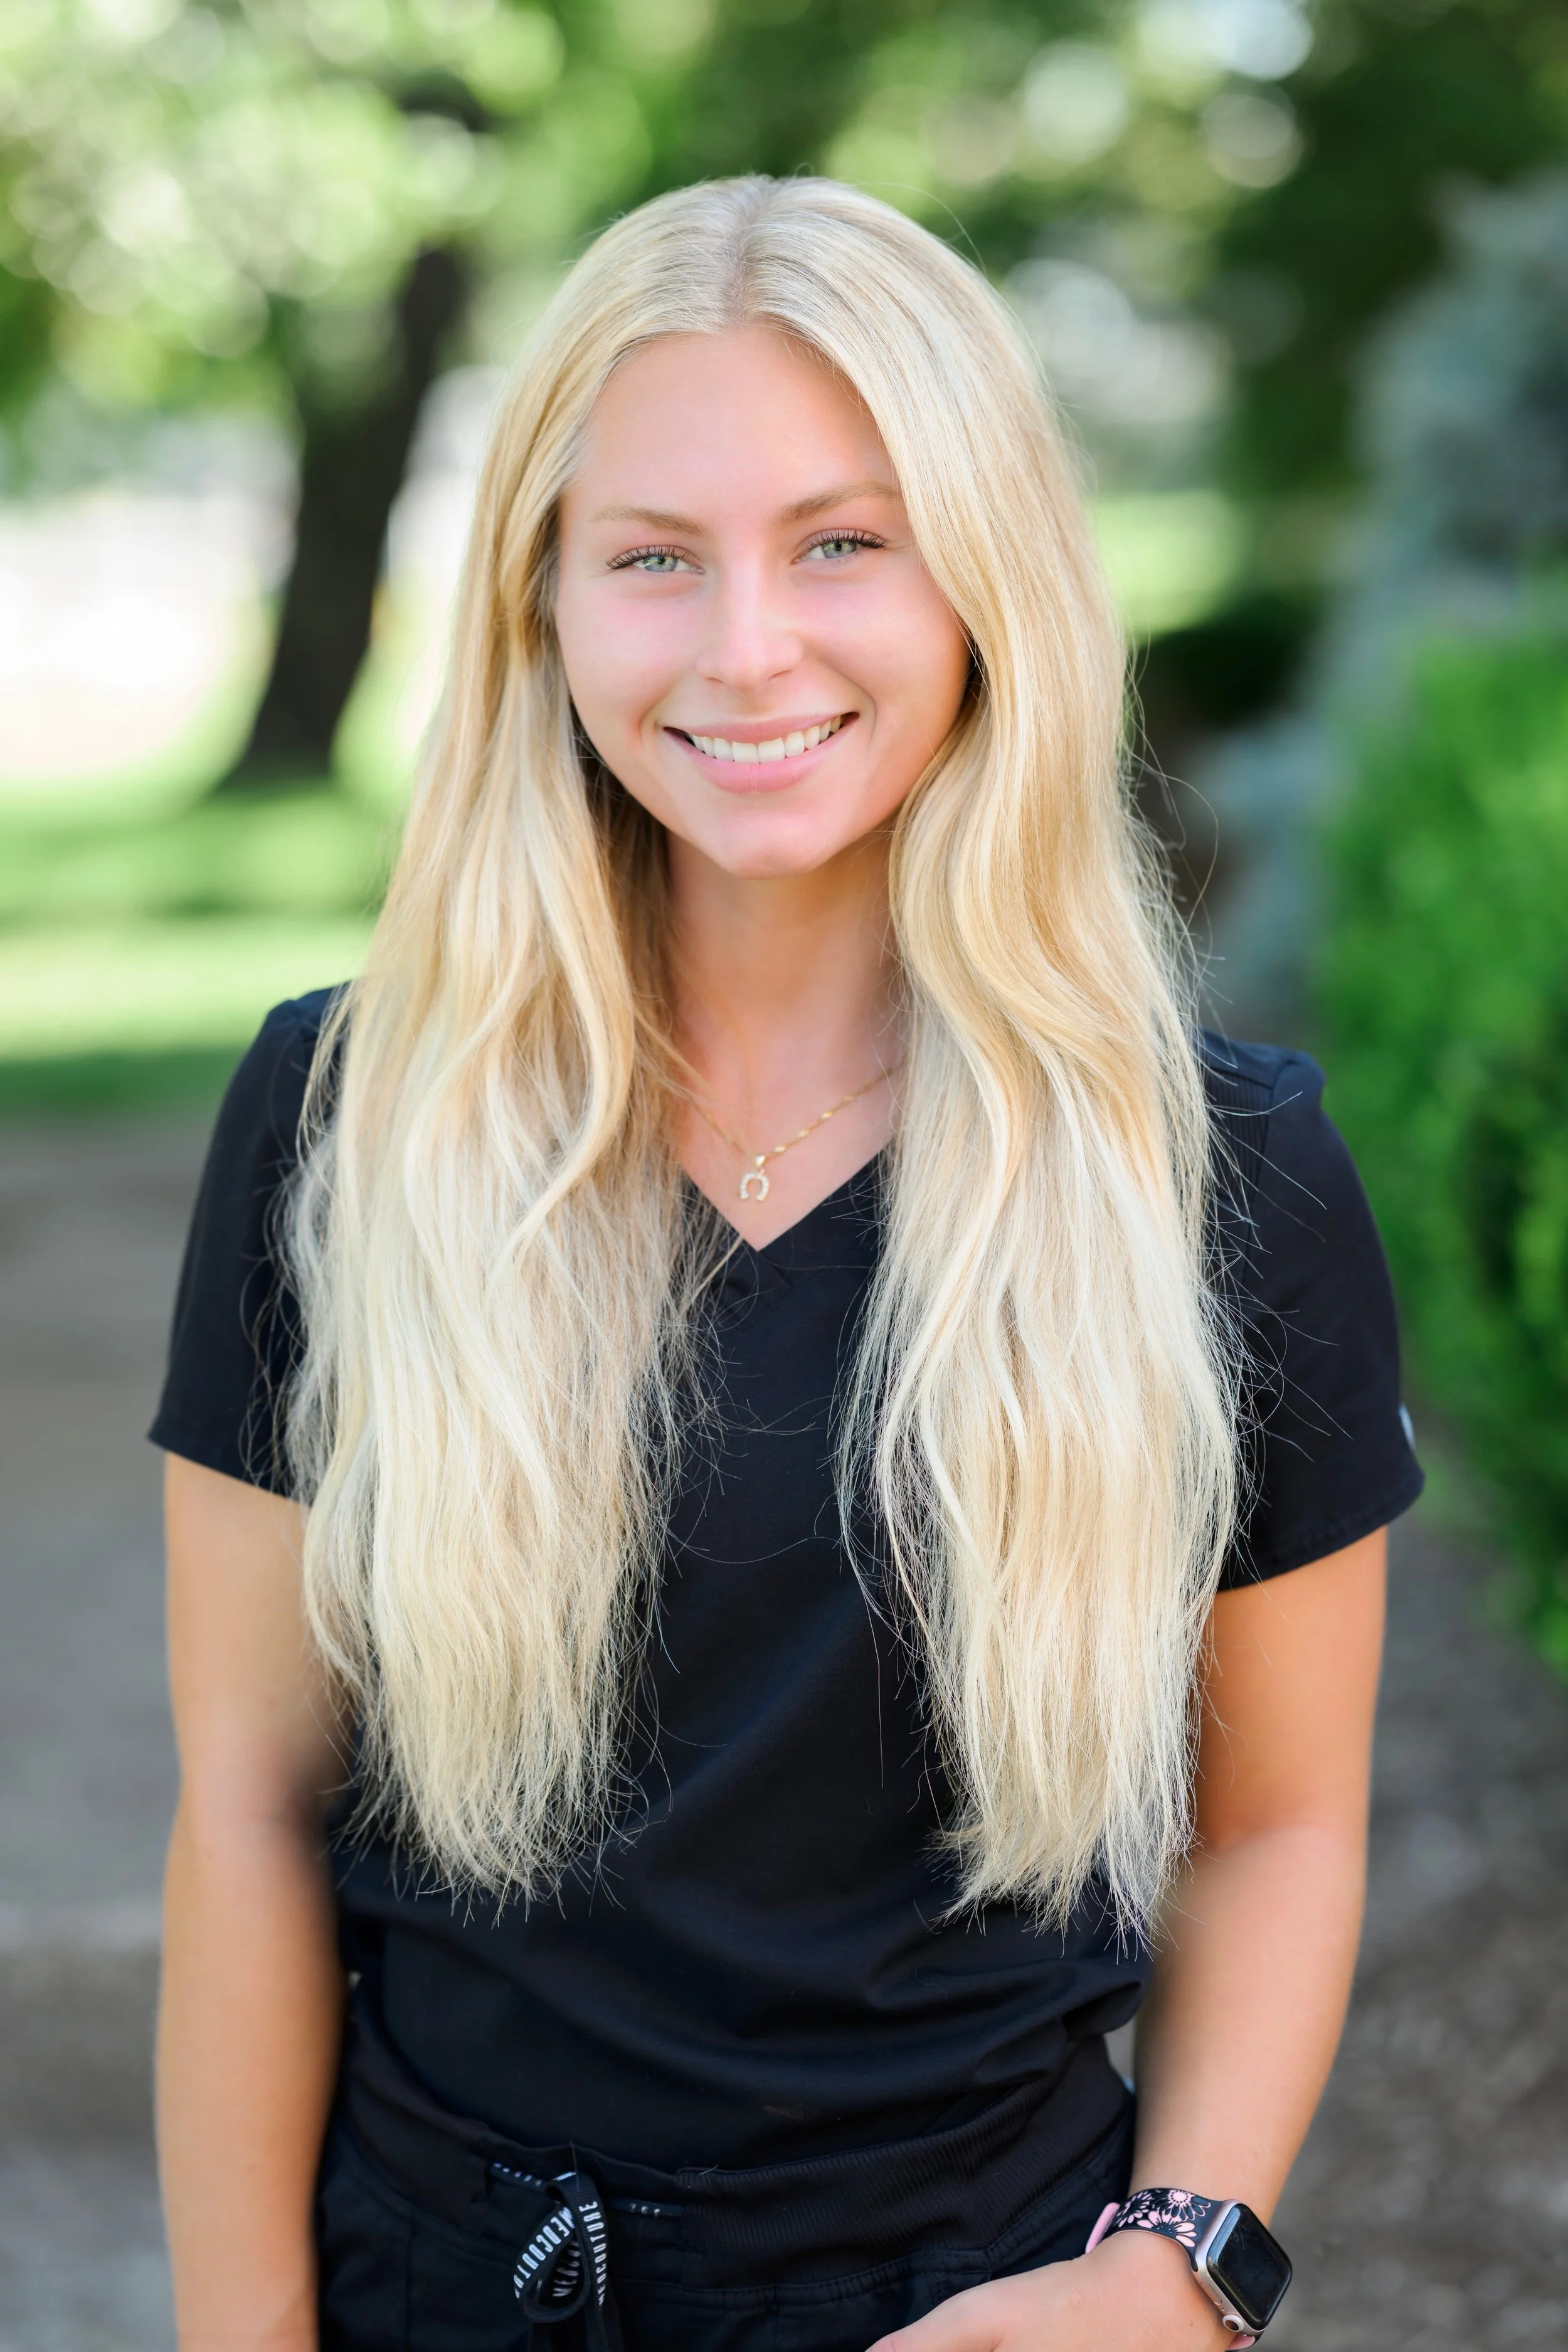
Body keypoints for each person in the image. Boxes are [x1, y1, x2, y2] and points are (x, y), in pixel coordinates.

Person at [152, 176, 1423, 2352]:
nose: (747, 645)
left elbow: (1279, 1824)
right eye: (653, 555)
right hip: (437, 2288)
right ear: (541, 606)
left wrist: (1177, 2276)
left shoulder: (1218, 1173)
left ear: (983, 585)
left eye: (844, 540)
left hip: (973, 2301)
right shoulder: (348, 1123)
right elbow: (251, 1817)